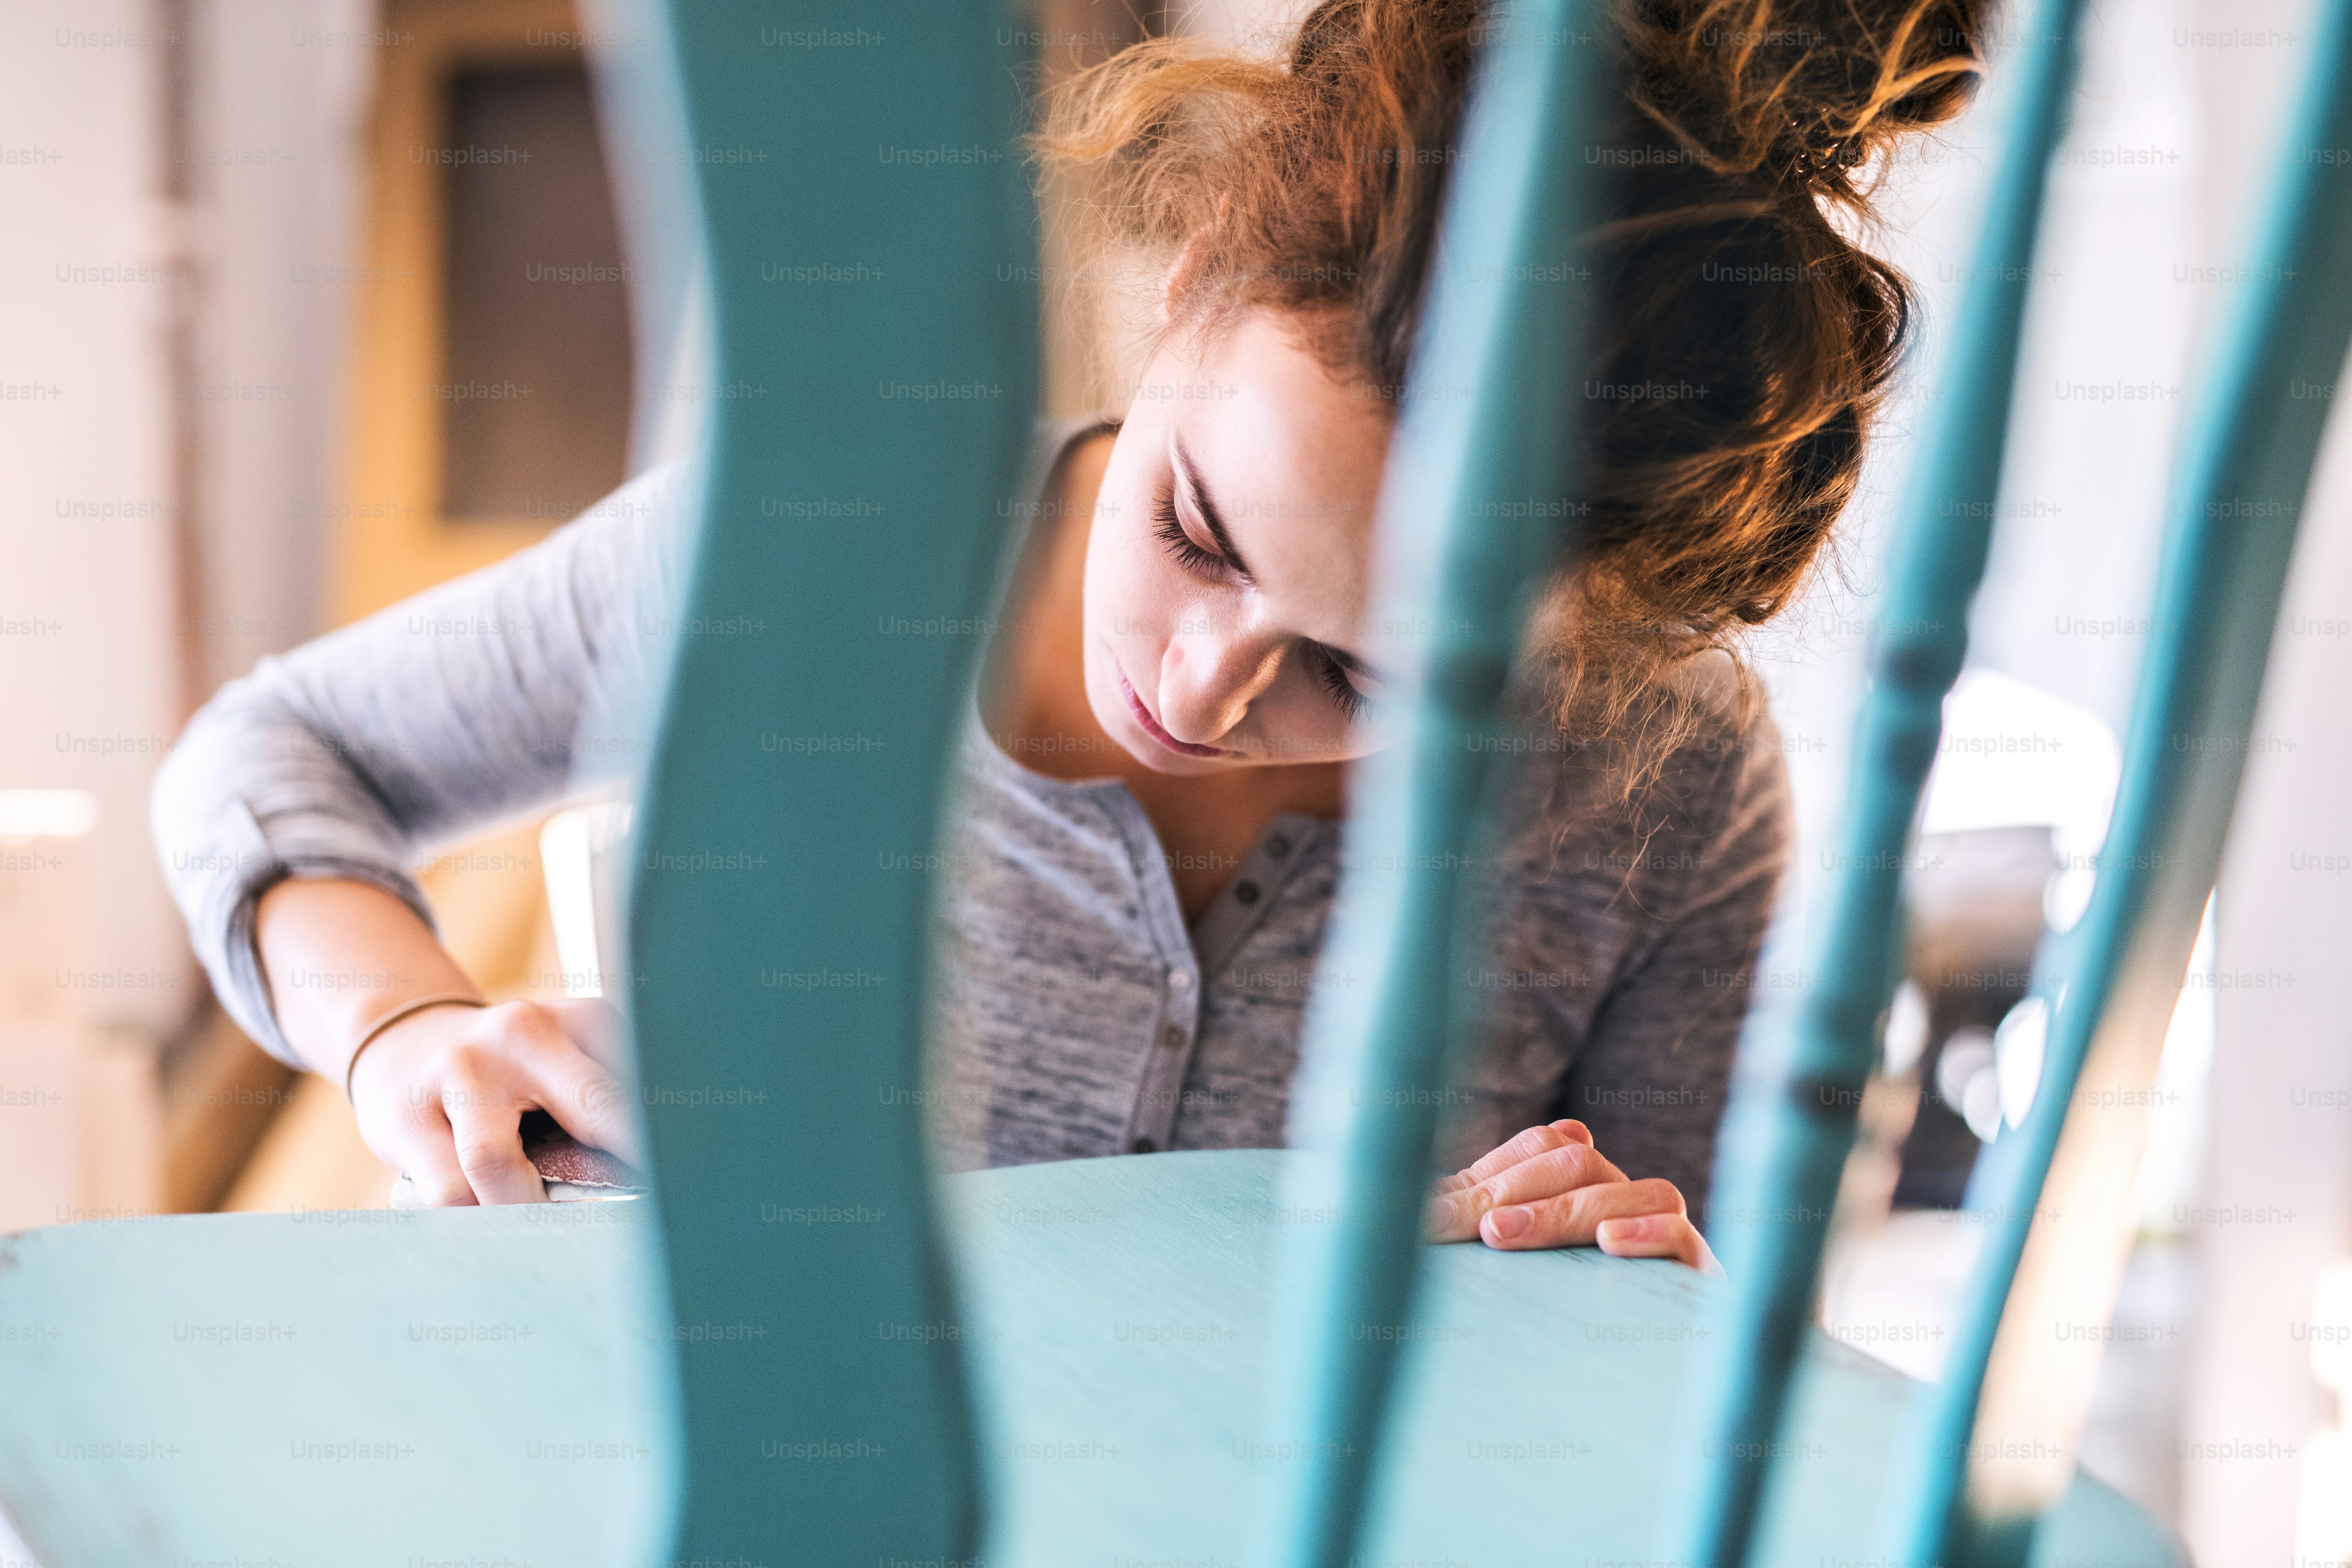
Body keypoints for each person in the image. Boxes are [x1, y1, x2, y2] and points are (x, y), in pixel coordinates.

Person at [152, 0, 1986, 1274]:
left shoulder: (1666, 787)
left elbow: (1709, 1349)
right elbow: (269, 757)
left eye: (1373, 677)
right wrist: (400, 1032)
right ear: (1188, 283)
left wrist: (1604, 1281)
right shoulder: (823, 554)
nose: (1202, 688)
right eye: (1198, 530)